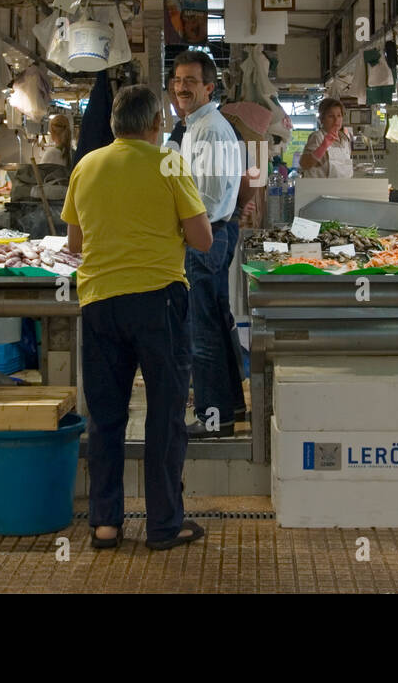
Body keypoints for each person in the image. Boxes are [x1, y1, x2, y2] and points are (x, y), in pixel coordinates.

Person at [61, 84, 212, 552]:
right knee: (164, 415)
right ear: (155, 125)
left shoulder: (86, 166)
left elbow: (74, 244)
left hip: (100, 302)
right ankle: (164, 524)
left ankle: (105, 524)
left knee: (105, 416)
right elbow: (203, 239)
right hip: (158, 302)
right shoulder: (168, 162)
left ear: (113, 126)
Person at [169, 50, 243, 439]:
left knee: (202, 333)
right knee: (214, 322)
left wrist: (180, 227)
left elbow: (210, 198)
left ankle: (214, 419)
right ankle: (230, 407)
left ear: (209, 87)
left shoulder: (210, 129)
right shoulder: (193, 126)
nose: (181, 87)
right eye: (178, 80)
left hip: (206, 237)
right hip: (207, 235)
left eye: (190, 82)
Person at [299, 98, 353, 178]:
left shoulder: (344, 139)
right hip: (321, 189)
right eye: (331, 116)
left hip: (342, 188)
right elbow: (304, 164)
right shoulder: (317, 137)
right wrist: (323, 146)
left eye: (339, 115)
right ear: (322, 119)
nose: (336, 120)